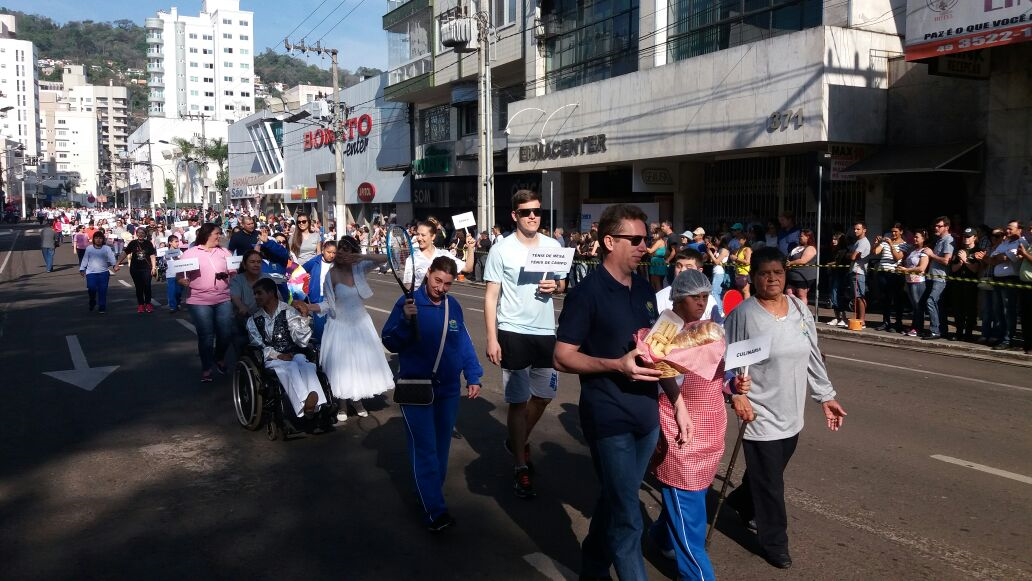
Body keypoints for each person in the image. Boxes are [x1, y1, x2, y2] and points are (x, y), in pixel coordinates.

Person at [554, 204, 690, 581]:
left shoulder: (646, 290)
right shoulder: (586, 293)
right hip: (607, 417)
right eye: (636, 239)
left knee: (616, 499)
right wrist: (617, 365)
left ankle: (593, 566)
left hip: (646, 417)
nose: (645, 246)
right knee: (629, 516)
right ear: (610, 241)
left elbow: (658, 352)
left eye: (646, 239)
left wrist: (677, 402)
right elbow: (562, 357)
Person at [723, 247, 847, 569]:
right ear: (753, 277)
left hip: (791, 412)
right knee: (771, 485)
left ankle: (740, 501)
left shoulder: (799, 309)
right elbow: (726, 362)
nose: (772, 279)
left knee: (770, 472)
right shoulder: (744, 315)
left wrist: (826, 396)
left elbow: (812, 354)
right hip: (758, 412)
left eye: (777, 272)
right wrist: (735, 394)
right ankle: (774, 542)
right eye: (764, 274)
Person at [650, 268, 750, 581]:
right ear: (678, 297)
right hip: (680, 430)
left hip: (710, 430)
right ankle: (698, 575)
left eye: (705, 296)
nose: (701, 302)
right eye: (695, 297)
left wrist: (734, 387)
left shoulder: (711, 329)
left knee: (687, 501)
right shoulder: (665, 328)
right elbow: (655, 373)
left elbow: (718, 379)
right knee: (689, 508)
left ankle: (659, 537)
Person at [381, 257, 483, 531]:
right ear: (428, 274)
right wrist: (405, 321)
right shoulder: (408, 303)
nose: (441, 288)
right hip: (415, 387)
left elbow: (463, 342)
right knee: (425, 449)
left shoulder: (453, 306)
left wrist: (473, 375)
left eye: (447, 284)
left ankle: (428, 494)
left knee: (440, 449)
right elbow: (390, 340)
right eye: (438, 280)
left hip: (448, 390)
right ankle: (435, 511)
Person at [484, 189, 566, 499]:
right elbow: (491, 297)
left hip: (545, 331)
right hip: (512, 330)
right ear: (514, 216)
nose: (532, 216)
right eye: (525, 212)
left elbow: (562, 283)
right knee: (518, 401)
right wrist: (492, 338)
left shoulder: (552, 245)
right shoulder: (501, 249)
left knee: (544, 396)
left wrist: (555, 285)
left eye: (536, 211)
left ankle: (515, 441)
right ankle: (520, 465)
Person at [306, 236, 394, 421]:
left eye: (347, 249)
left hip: (360, 323)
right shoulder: (331, 275)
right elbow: (328, 304)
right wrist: (309, 307)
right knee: (343, 367)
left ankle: (357, 401)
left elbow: (386, 257)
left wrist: (362, 257)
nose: (342, 252)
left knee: (359, 364)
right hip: (339, 325)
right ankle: (342, 405)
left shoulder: (359, 267)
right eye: (340, 248)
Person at [247, 277, 328, 418]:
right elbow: (258, 345)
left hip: (292, 353)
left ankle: (315, 406)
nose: (256, 297)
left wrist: (304, 317)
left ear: (271, 293)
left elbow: (302, 341)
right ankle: (306, 405)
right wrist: (278, 355)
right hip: (271, 358)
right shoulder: (253, 320)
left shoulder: (289, 311)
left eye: (259, 293)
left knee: (306, 365)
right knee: (290, 367)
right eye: (255, 294)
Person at [179, 223, 234, 383]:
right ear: (207, 234)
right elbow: (180, 275)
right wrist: (182, 280)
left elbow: (233, 271)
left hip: (223, 298)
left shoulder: (225, 252)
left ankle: (219, 357)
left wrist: (230, 275)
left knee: (226, 333)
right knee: (206, 336)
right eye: (217, 233)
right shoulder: (190, 253)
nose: (219, 236)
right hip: (199, 300)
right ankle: (206, 367)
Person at [403, 220, 475, 291]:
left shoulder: (444, 254)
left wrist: (470, 248)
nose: (419, 238)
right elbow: (408, 287)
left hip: (441, 298)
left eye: (423, 235)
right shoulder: (411, 259)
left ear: (433, 237)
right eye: (417, 234)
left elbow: (468, 268)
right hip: (419, 298)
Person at [655, 249, 723, 323]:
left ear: (699, 271)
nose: (682, 270)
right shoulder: (661, 297)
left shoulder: (709, 300)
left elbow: (718, 326)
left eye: (688, 267)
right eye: (678, 266)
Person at [988, 220, 1025, 350]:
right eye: (1007, 228)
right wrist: (1000, 256)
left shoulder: (1021, 242)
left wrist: (1000, 256)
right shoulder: (1005, 242)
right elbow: (992, 259)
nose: (1007, 231)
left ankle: (1008, 339)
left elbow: (1007, 258)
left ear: (1019, 230)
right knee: (998, 309)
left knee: (1008, 311)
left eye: (1010, 229)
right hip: (998, 279)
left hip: (1010, 279)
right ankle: (1000, 336)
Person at [921, 216, 954, 340]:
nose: (936, 228)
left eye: (939, 226)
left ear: (946, 227)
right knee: (938, 304)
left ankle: (935, 331)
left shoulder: (948, 240)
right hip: (933, 276)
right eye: (935, 226)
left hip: (940, 278)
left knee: (931, 301)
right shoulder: (939, 240)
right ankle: (942, 330)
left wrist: (931, 254)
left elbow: (946, 261)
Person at [871, 224, 908, 333]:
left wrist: (891, 244)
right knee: (885, 298)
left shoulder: (904, 245)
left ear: (901, 232)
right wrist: (877, 243)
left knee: (897, 299)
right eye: (892, 231)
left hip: (895, 274)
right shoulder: (885, 242)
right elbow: (875, 252)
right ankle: (886, 322)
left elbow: (897, 257)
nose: (893, 233)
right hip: (883, 272)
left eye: (896, 231)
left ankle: (898, 323)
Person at [300, 240, 337, 341]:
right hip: (318, 298)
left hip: (333, 299)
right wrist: (305, 278)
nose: (331, 255)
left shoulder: (338, 264)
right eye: (329, 252)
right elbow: (300, 271)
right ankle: (318, 346)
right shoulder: (315, 261)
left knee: (332, 326)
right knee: (320, 327)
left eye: (334, 253)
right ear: (323, 250)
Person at [115, 227, 158, 313]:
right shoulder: (133, 243)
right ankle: (141, 304)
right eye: (139, 233)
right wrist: (117, 263)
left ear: (145, 234)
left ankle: (148, 303)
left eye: (142, 233)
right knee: (139, 287)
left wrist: (153, 267)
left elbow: (152, 255)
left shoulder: (148, 243)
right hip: (135, 268)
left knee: (147, 286)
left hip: (146, 268)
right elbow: (125, 253)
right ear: (136, 234)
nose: (140, 234)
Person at [948, 228, 980, 342]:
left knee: (970, 310)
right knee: (958, 309)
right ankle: (959, 332)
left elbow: (975, 269)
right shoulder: (959, 251)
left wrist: (965, 259)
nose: (966, 238)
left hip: (970, 284)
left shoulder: (978, 251)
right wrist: (961, 262)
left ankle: (968, 334)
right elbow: (953, 268)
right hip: (958, 283)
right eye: (964, 236)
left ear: (974, 238)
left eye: (968, 236)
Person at [898, 230, 931, 337]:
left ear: (923, 238)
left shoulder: (924, 251)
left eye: (917, 237)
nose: (915, 239)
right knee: (914, 306)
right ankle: (914, 326)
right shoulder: (913, 250)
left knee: (918, 306)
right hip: (909, 281)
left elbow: (922, 268)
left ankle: (918, 328)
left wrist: (906, 270)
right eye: (914, 237)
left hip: (918, 281)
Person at [79, 231, 117, 313]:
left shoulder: (106, 248)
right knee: (91, 288)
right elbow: (85, 259)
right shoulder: (89, 248)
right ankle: (92, 300)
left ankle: (102, 306)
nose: (98, 240)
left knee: (102, 290)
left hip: (104, 273)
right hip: (91, 273)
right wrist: (82, 269)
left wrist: (114, 265)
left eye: (100, 238)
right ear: (93, 239)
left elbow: (112, 257)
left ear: (103, 239)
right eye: (96, 238)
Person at [785, 228, 817, 307]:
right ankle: (796, 308)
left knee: (801, 294)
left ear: (808, 237)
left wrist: (790, 263)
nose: (800, 237)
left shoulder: (810, 248)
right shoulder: (798, 247)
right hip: (793, 275)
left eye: (802, 236)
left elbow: (803, 261)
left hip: (803, 276)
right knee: (788, 292)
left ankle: (803, 311)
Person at [848, 222, 871, 328]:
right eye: (854, 229)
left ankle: (862, 321)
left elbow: (853, 257)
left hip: (858, 272)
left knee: (859, 297)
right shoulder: (858, 241)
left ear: (864, 230)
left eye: (858, 229)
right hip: (854, 271)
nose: (855, 231)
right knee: (856, 297)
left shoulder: (863, 242)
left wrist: (848, 255)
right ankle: (858, 318)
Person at [163, 235, 184, 313]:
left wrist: (178, 258)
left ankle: (178, 302)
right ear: (170, 243)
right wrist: (165, 260)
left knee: (178, 291)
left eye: (178, 241)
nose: (177, 243)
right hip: (170, 274)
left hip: (179, 274)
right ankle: (172, 306)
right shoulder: (166, 252)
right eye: (176, 241)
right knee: (171, 291)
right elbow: (164, 262)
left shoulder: (180, 252)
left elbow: (183, 261)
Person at [730, 230, 752, 298]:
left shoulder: (747, 249)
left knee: (745, 291)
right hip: (738, 272)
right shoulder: (739, 249)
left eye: (740, 239)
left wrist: (736, 258)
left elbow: (748, 262)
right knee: (740, 291)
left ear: (745, 240)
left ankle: (747, 304)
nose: (738, 240)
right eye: (738, 239)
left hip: (745, 273)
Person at [646, 226, 669, 291]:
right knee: (654, 282)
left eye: (655, 233)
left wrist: (643, 246)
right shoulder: (658, 241)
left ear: (659, 234)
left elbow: (651, 251)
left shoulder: (659, 241)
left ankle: (658, 295)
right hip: (655, 262)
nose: (653, 235)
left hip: (658, 263)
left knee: (657, 283)